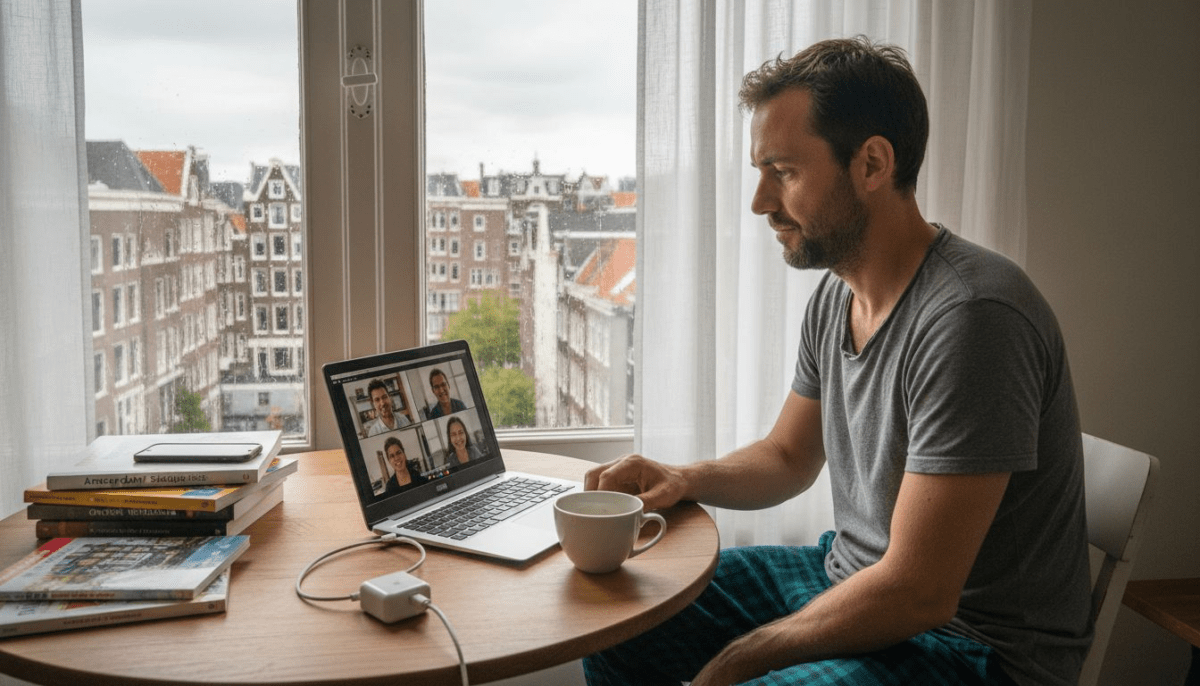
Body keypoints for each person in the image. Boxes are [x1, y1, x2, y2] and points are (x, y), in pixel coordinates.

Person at [583, 36, 1092, 686]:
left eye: (784, 171)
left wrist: (734, 663)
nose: (760, 202)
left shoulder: (973, 317)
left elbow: (920, 592)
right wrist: (684, 478)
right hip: (848, 576)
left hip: (970, 650)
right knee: (624, 620)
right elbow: (790, 457)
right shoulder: (837, 295)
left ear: (873, 163)